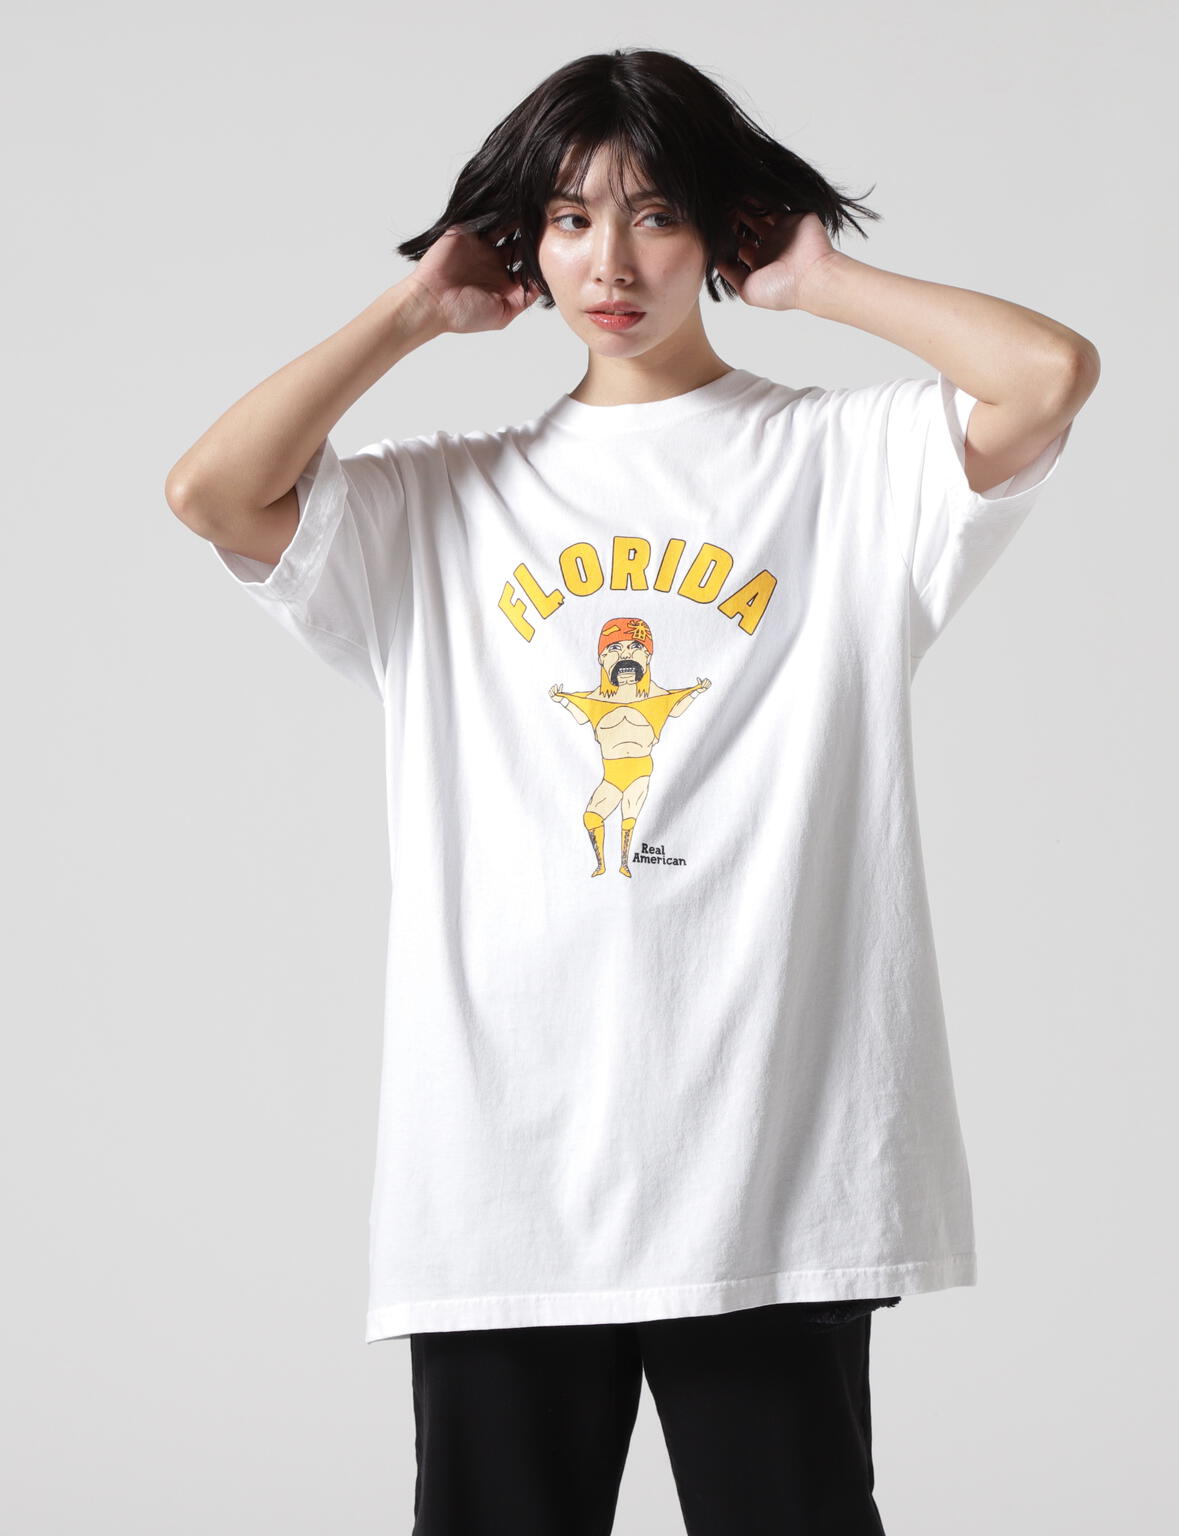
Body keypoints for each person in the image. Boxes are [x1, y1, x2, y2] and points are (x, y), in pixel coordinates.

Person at [165, 46, 1098, 1536]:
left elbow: (1047, 377)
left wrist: (819, 280)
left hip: (773, 1173)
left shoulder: (842, 464)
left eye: (657, 214)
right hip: (503, 1179)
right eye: (569, 218)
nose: (611, 261)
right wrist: (413, 309)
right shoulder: (443, 499)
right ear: (521, 244)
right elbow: (212, 493)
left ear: (717, 229)